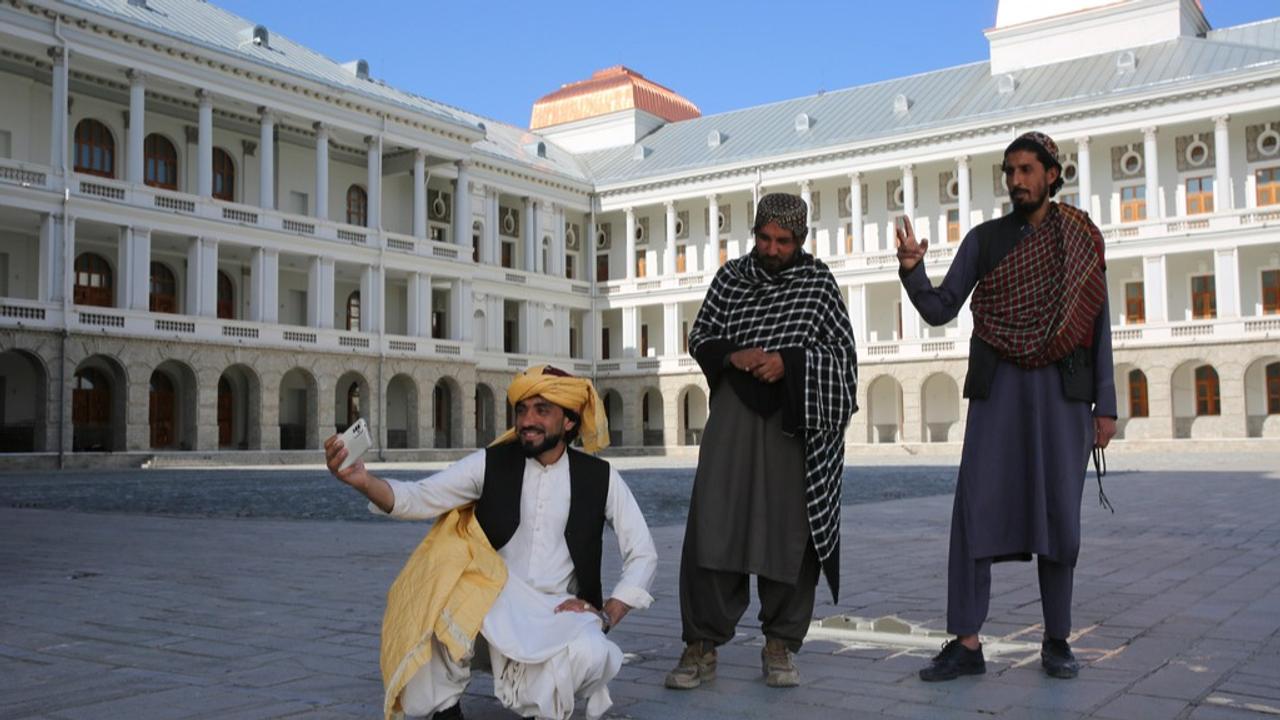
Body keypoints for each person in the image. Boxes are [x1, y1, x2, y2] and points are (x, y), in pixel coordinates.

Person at [896, 132, 1117, 682]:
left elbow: (1098, 329)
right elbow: (942, 308)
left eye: (1026, 170)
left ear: (1051, 175)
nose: (1017, 180)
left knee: (1058, 518)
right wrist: (911, 270)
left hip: (1063, 396)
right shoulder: (985, 239)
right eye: (1010, 172)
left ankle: (1057, 640)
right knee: (975, 511)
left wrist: (1105, 405)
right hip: (998, 394)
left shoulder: (1081, 239)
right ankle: (967, 642)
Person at [325, 365, 658, 720]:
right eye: (521, 410)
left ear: (570, 422)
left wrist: (607, 613)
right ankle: (445, 708)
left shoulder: (600, 478)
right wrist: (363, 482)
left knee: (592, 653)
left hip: (557, 612)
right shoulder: (490, 463)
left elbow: (643, 554)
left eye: (541, 410)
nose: (527, 421)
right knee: (434, 601)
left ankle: (541, 705)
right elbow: (420, 497)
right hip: (489, 604)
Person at [666, 193, 859, 690]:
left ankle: (780, 646)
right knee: (714, 525)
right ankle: (700, 645)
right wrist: (735, 355)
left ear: (801, 241)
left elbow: (843, 359)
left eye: (783, 241)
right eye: (765, 238)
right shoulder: (731, 278)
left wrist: (789, 363)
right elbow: (702, 335)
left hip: (793, 427)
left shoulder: (818, 285)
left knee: (788, 534)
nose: (772, 250)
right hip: (733, 417)